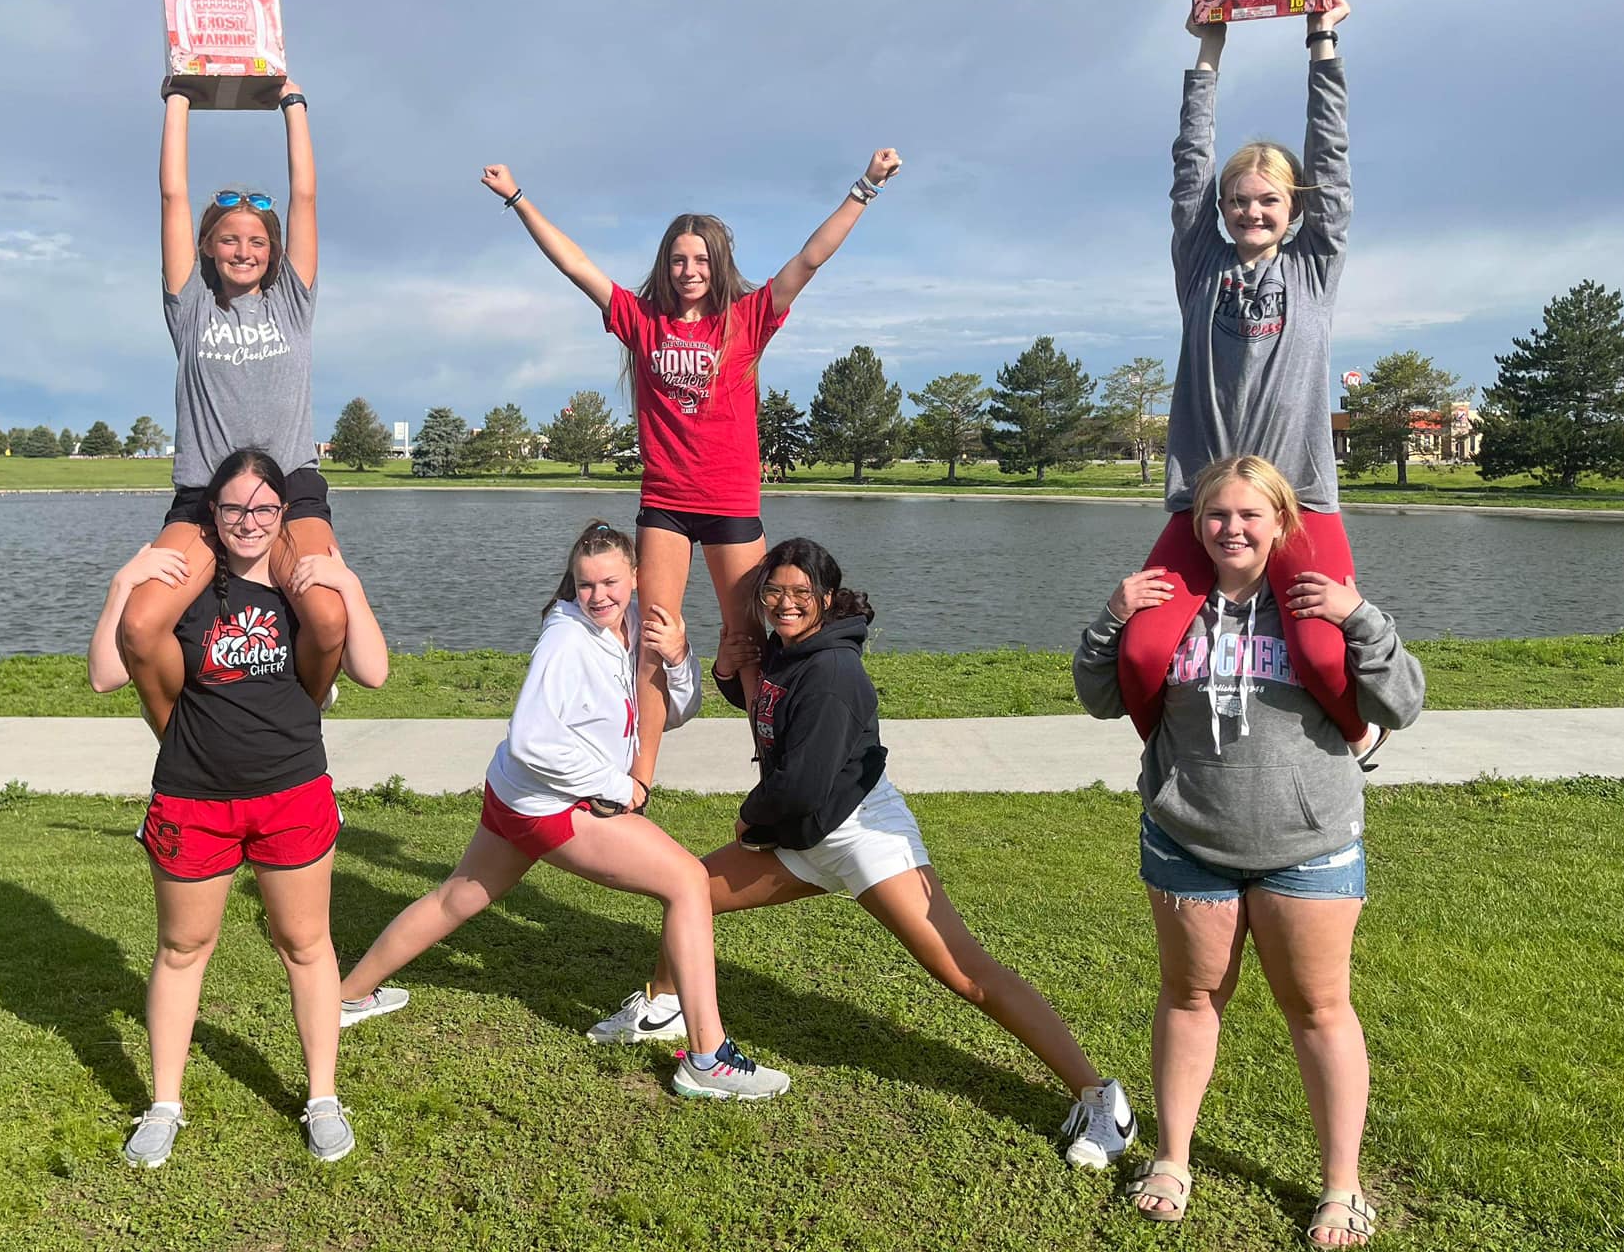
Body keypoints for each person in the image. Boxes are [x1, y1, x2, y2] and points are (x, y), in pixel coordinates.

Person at [585, 537, 1137, 1168]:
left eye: (799, 594)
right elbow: (766, 707)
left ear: (826, 597)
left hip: (858, 834)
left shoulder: (833, 674)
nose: (784, 605)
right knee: (690, 888)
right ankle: (662, 1006)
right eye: (773, 593)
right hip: (802, 832)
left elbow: (802, 783)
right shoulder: (791, 651)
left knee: (966, 975)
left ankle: (1100, 1099)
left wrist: (750, 817)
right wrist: (724, 667)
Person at [1073, 454, 1424, 1245]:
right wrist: (1112, 613)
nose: (1232, 529)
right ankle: (1172, 1158)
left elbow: (1402, 701)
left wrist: (1360, 614)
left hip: (1310, 845)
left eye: (1249, 515)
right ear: (1196, 526)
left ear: (1280, 523)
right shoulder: (1172, 605)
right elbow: (1098, 696)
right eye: (1216, 516)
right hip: (1188, 837)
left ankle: (1342, 1185)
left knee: (1320, 1010)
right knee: (1191, 999)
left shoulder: (1315, 605)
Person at [480, 150, 899, 798]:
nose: (689, 269)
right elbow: (574, 264)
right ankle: (639, 778)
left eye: (700, 258)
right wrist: (518, 199)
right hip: (667, 504)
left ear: (717, 264)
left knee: (748, 639)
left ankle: (776, 771)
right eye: (679, 259)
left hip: (731, 502)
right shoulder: (640, 321)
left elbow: (809, 260)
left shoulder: (747, 320)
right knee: (653, 636)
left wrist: (865, 187)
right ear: (665, 267)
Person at [339, 520, 790, 1101]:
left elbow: (673, 712)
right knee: (686, 881)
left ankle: (349, 995)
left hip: (513, 793)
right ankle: (706, 1057)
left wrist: (678, 659)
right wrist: (615, 784)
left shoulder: (636, 622)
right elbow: (531, 737)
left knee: (459, 896)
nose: (598, 595)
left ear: (635, 576)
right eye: (584, 585)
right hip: (547, 801)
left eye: (609, 582)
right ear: (572, 587)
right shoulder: (567, 639)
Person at [87, 446, 391, 1168]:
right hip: (193, 798)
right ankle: (164, 1104)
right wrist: (123, 581)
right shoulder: (184, 590)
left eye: (262, 508)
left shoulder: (302, 589)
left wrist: (347, 580)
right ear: (212, 515)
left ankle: (322, 1097)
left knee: (306, 947)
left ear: (282, 514)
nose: (248, 522)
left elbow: (374, 672)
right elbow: (105, 674)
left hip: (292, 792)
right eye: (233, 508)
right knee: (182, 950)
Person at [1117, 0, 1377, 756]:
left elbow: (1330, 159)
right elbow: (1188, 165)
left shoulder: (1313, 269)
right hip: (1205, 500)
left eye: (1267, 201)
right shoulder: (1200, 267)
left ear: (1294, 207)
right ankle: (1170, 744)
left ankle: (1356, 743)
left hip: (1298, 496)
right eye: (1238, 201)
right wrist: (1208, 50)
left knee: (1327, 654)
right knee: (1138, 651)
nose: (1250, 212)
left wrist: (1322, 42)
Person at [117, 77, 348, 731]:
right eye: (228, 239)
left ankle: (293, 729)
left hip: (290, 494)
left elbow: (305, 194)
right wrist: (179, 99)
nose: (243, 250)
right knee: (140, 627)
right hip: (201, 499)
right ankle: (183, 746)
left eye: (256, 242)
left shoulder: (293, 304)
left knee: (328, 620)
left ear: (273, 252)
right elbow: (172, 195)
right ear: (208, 248)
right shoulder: (187, 309)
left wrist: (293, 104)